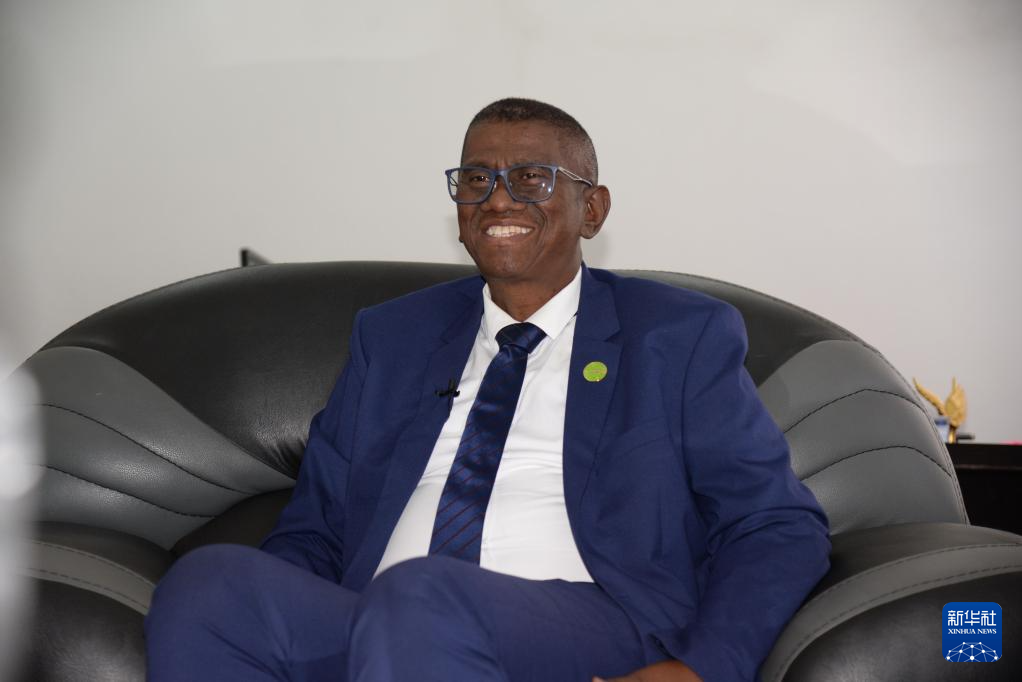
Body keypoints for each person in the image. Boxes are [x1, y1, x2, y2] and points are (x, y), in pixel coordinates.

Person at [145, 98, 830, 682]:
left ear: (592, 209)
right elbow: (315, 528)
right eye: (476, 178)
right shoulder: (393, 337)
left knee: (421, 595)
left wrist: (703, 668)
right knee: (211, 586)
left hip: (592, 622)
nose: (498, 198)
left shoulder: (675, 335)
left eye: (530, 177)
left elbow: (775, 524)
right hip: (380, 619)